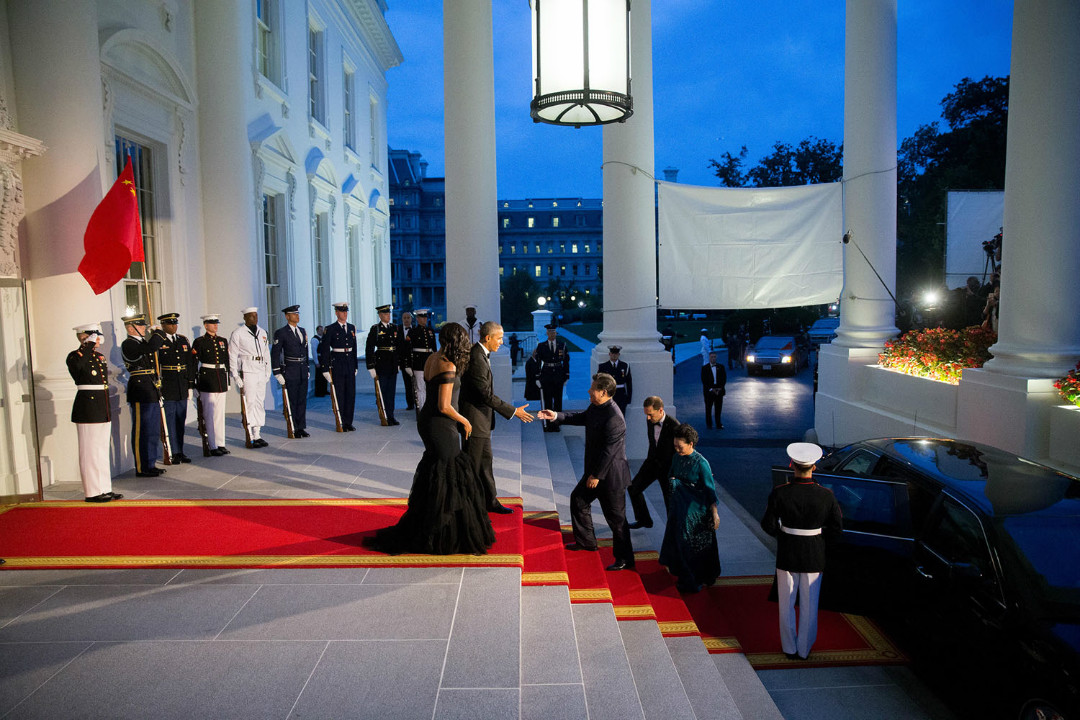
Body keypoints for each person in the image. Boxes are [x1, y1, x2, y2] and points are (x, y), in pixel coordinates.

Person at [371, 323, 495, 555]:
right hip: (440, 424)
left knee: (437, 469)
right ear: (457, 340)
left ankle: (430, 525)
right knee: (449, 471)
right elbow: (444, 405)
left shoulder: (432, 358)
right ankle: (443, 532)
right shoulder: (447, 365)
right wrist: (465, 421)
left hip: (428, 421)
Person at [537, 373, 634, 571]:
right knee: (579, 500)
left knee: (616, 520)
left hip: (610, 478)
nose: (589, 391)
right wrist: (555, 415)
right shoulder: (596, 407)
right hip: (594, 473)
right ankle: (586, 542)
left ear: (603, 392)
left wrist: (596, 476)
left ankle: (625, 559)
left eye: (593, 388)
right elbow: (582, 417)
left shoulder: (615, 417)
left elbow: (609, 452)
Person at [760, 442, 843, 661]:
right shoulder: (827, 495)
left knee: (786, 604)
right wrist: (820, 540)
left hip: (787, 552)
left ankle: (789, 648)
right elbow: (836, 529)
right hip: (814, 554)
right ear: (814, 467)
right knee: (810, 605)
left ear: (792, 464)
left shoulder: (780, 492)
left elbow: (767, 525)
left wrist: (783, 533)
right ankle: (804, 649)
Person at [459, 321, 534, 515]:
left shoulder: (481, 354)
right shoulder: (476, 357)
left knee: (485, 462)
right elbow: (485, 395)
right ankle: (468, 507)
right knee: (472, 466)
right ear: (488, 338)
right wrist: (513, 411)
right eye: (499, 338)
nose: (502, 342)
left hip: (481, 421)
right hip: (474, 421)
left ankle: (490, 501)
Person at [659, 424, 721, 593]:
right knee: (679, 542)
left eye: (680, 446)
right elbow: (670, 476)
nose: (677, 449)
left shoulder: (701, 463)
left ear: (691, 444)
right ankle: (684, 574)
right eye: (675, 446)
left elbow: (710, 490)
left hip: (696, 512)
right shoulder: (677, 457)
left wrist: (714, 513)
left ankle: (695, 578)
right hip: (680, 509)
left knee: (693, 546)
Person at [67, 323, 122, 502]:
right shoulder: (75, 356)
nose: (98, 339)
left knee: (101, 450)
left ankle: (104, 488)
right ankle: (92, 491)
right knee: (89, 451)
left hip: (101, 405)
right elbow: (78, 368)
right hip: (87, 407)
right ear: (85, 337)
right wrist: (87, 345)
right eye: (94, 336)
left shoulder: (98, 356)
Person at [120, 312, 165, 477]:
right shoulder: (128, 344)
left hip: (151, 387)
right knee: (142, 430)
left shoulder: (142, 342)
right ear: (130, 328)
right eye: (140, 325)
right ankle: (141, 466)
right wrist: (158, 333)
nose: (144, 328)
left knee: (152, 430)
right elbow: (150, 348)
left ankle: (150, 463)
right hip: (140, 389)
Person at [149, 312, 195, 463]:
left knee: (180, 420)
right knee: (169, 420)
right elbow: (154, 364)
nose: (174, 326)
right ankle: (172, 452)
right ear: (163, 325)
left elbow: (190, 363)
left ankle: (180, 451)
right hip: (168, 385)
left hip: (182, 385)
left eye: (175, 323)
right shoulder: (159, 341)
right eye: (170, 324)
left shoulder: (182, 340)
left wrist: (190, 384)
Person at [627, 396, 679, 529]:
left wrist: (675, 473)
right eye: (646, 414)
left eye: (650, 414)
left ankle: (673, 531)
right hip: (651, 463)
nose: (648, 418)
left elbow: (679, 452)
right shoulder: (650, 420)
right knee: (633, 488)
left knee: (670, 502)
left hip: (667, 469)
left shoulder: (674, 426)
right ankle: (644, 520)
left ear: (660, 410)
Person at [228, 307, 272, 448]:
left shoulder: (262, 332)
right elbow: (233, 355)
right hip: (248, 370)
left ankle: (257, 433)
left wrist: (268, 371)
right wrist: (235, 375)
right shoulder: (238, 333)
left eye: (256, 315)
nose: (255, 318)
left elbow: (266, 353)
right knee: (250, 402)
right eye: (252, 316)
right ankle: (250, 434)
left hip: (260, 369)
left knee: (260, 401)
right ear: (245, 318)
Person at [192, 314, 231, 456]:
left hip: (220, 378)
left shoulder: (222, 341)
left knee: (219, 414)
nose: (215, 326)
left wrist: (228, 380)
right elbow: (194, 363)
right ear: (205, 325)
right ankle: (212, 445)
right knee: (209, 414)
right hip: (207, 380)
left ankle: (221, 443)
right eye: (212, 323)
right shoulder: (199, 342)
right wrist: (194, 384)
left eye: (216, 323)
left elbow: (226, 361)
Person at [271, 304, 310, 438]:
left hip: (302, 369)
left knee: (302, 400)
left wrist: (307, 367)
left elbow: (305, 350)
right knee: (292, 400)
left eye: (298, 314)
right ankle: (293, 427)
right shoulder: (281, 332)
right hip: (291, 369)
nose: (297, 316)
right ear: (287, 317)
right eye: (294, 314)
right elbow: (275, 353)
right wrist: (277, 372)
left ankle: (301, 427)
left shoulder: (302, 331)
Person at [320, 302, 359, 430]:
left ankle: (349, 422)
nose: (345, 314)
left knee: (350, 394)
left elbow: (354, 348)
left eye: (346, 311)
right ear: (336, 313)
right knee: (340, 394)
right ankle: (341, 422)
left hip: (349, 363)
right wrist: (325, 369)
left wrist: (355, 365)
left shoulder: (352, 327)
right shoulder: (330, 329)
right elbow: (325, 350)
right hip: (337, 363)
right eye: (342, 311)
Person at [365, 303, 404, 426]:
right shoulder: (376, 329)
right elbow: (369, 348)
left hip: (392, 363)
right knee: (382, 391)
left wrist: (399, 362)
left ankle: (391, 416)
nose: (388, 315)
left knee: (391, 392)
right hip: (381, 364)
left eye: (389, 313)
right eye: (385, 314)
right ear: (380, 315)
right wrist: (370, 366)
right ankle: (383, 416)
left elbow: (399, 346)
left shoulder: (394, 328)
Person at [536, 322, 569, 432]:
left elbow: (566, 361)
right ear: (547, 333)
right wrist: (537, 377)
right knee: (548, 400)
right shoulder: (541, 346)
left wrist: (566, 375)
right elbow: (538, 362)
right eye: (550, 332)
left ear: (556, 333)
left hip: (559, 375)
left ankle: (557, 423)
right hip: (546, 375)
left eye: (553, 332)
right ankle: (548, 425)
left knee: (558, 401)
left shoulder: (562, 345)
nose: (552, 334)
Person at [406, 309, 437, 410]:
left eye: (425, 317)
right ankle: (422, 409)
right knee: (420, 388)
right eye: (422, 318)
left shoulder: (430, 331)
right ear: (417, 319)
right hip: (418, 362)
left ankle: (429, 409)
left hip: (429, 362)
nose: (424, 319)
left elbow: (434, 349)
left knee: (430, 387)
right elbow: (408, 349)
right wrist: (408, 365)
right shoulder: (412, 332)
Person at [597, 345, 632, 416]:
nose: (614, 355)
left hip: (621, 395)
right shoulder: (603, 367)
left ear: (619, 354)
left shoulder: (624, 366)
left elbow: (629, 383)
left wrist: (628, 398)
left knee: (621, 415)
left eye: (616, 353)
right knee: (608, 415)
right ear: (609, 354)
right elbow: (599, 383)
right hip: (608, 394)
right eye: (612, 353)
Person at [701, 351, 727, 429]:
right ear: (709, 358)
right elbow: (704, 380)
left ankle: (718, 424)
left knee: (718, 408)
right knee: (708, 408)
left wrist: (720, 388)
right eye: (712, 357)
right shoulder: (704, 368)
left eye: (714, 357)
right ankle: (709, 424)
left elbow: (724, 378)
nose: (713, 358)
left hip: (719, 390)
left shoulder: (721, 367)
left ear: (716, 357)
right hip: (709, 392)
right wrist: (711, 389)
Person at [399, 311, 416, 410]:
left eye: (408, 318)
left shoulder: (416, 330)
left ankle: (418, 402)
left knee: (417, 384)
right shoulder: (398, 330)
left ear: (411, 319)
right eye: (404, 318)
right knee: (407, 384)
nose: (406, 320)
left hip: (415, 361)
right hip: (404, 362)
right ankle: (410, 403)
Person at [312, 325, 328, 397]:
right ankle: (319, 392)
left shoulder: (324, 338)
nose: (322, 331)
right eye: (320, 330)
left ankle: (324, 390)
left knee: (325, 375)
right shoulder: (315, 339)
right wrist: (316, 362)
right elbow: (314, 351)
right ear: (317, 331)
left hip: (324, 358)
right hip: (319, 358)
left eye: (322, 330)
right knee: (319, 376)